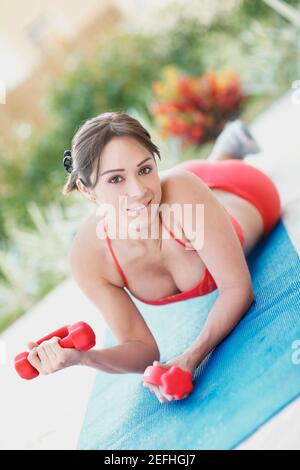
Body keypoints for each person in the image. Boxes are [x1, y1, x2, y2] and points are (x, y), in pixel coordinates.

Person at [27, 112, 281, 403]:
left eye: (145, 169)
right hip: (178, 195)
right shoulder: (89, 257)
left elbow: (238, 290)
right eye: (116, 179)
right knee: (162, 195)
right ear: (86, 189)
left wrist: (191, 357)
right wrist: (83, 357)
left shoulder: (180, 193)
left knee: (184, 188)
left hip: (240, 191)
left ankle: (227, 152)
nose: (137, 189)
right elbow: (142, 349)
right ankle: (225, 148)